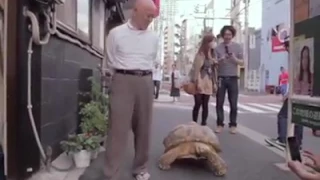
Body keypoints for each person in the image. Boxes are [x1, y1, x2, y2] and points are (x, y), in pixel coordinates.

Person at [103, 0, 158, 179]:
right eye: (148, 15)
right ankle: (112, 173)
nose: (150, 19)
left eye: (153, 16)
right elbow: (110, 59)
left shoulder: (154, 37)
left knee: (144, 127)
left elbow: (152, 60)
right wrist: (115, 78)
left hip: (146, 81)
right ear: (135, 11)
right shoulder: (115, 34)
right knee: (117, 129)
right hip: (122, 79)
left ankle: (140, 168)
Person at [265, 36, 304, 149]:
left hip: (296, 93)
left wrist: (289, 94)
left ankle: (282, 139)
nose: (286, 49)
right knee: (298, 117)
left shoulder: (295, 58)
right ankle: (297, 143)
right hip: (303, 92)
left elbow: (296, 78)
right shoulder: (299, 56)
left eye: (287, 46)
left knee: (283, 115)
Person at [214, 25, 244, 134]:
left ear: (232, 35)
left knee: (233, 103)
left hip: (233, 78)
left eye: (230, 34)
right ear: (222, 35)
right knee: (219, 102)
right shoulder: (217, 48)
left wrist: (234, 59)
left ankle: (233, 124)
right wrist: (220, 60)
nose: (227, 36)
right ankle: (220, 124)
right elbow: (215, 63)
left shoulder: (238, 47)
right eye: (226, 34)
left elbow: (242, 62)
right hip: (221, 77)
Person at [189, 34, 217, 126]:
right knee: (198, 103)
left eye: (214, 41)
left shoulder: (212, 54)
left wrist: (215, 83)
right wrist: (197, 82)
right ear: (207, 42)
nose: (214, 43)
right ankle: (194, 123)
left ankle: (204, 123)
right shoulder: (200, 54)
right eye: (212, 41)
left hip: (208, 81)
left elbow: (213, 71)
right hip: (200, 80)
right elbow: (196, 70)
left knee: (205, 104)